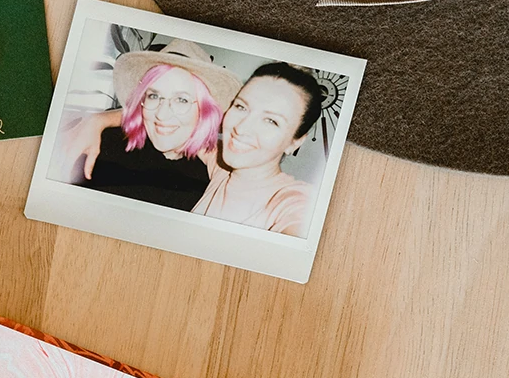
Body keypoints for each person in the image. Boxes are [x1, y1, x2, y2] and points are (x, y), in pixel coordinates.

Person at [74, 39, 243, 210]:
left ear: (204, 111)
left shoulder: (210, 179)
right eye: (154, 96)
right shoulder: (100, 145)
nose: (161, 115)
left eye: (181, 100)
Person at [193, 62, 326, 236]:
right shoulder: (221, 169)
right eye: (241, 107)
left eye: (271, 121)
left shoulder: (294, 202)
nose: (241, 128)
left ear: (295, 142)